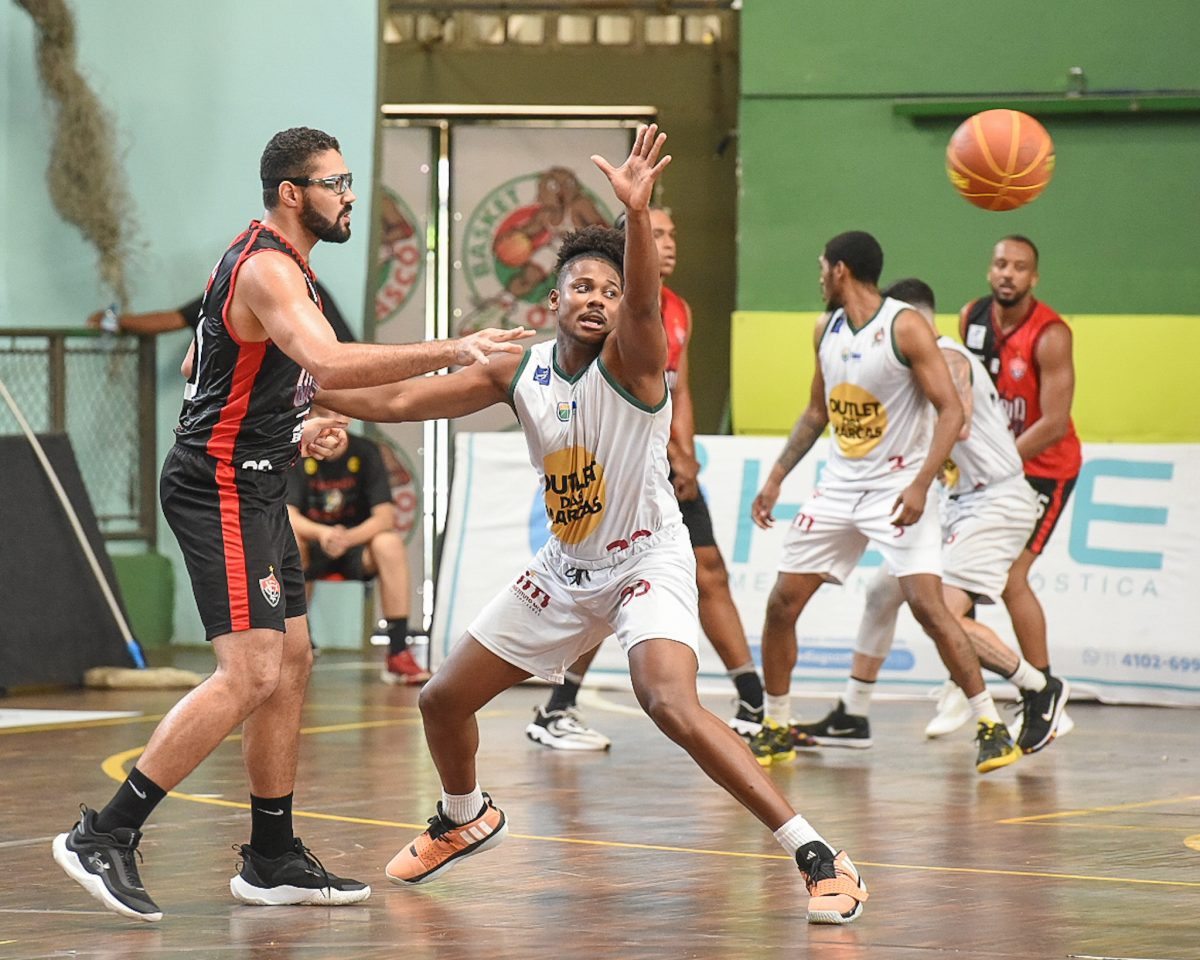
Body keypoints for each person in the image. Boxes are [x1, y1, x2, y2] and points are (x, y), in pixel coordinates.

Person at [318, 125, 868, 925]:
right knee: (441, 701)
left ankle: (817, 854)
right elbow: (400, 400)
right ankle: (464, 815)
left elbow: (644, 300)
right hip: (567, 567)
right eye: (582, 286)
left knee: (667, 701)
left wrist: (636, 214)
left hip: (646, 559)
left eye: (609, 291)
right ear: (554, 300)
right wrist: (301, 388)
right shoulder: (520, 370)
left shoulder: (636, 361)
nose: (598, 299)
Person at [52, 126, 529, 922]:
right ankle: (105, 833)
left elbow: (205, 364)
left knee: (293, 661)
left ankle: (272, 857)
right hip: (221, 488)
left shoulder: (278, 265)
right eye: (335, 183)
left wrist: (287, 415)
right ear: (290, 193)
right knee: (250, 674)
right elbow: (331, 363)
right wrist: (455, 348)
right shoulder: (269, 267)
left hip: (259, 482)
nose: (349, 195)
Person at [747, 232, 1020, 776]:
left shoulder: (904, 326)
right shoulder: (825, 328)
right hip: (839, 488)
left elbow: (950, 411)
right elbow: (817, 412)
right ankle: (775, 724)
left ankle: (990, 724)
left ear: (841, 270)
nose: (819, 276)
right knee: (782, 604)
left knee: (929, 607)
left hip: (897, 489)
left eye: (823, 267)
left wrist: (920, 483)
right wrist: (776, 477)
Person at [791, 279, 1070, 754]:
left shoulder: (949, 358)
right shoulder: (908, 360)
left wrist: (913, 421)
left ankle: (1039, 687)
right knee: (882, 593)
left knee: (939, 612)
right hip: (955, 500)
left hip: (994, 502)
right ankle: (853, 713)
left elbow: (957, 419)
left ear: (913, 320)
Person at [524, 205, 766, 752]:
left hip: (667, 464)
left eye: (672, 233)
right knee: (604, 582)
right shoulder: (618, 318)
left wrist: (688, 453)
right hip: (621, 465)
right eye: (656, 235)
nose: (670, 243)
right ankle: (558, 706)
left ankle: (752, 702)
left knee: (710, 571)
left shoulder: (677, 308)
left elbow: (679, 388)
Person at [926, 236, 1081, 737]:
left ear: (1034, 278)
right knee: (956, 568)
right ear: (989, 270)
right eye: (1000, 264)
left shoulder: (1050, 334)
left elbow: (1054, 423)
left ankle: (1045, 695)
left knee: (1013, 578)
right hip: (987, 468)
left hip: (1042, 466)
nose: (1007, 273)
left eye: (1019, 267)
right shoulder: (971, 317)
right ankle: (963, 684)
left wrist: (996, 464)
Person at [287, 428, 428, 684]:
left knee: (389, 543)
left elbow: (385, 517)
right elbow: (288, 514)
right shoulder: (297, 450)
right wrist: (323, 534)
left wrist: (347, 538)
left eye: (337, 420)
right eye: (322, 417)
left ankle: (398, 653)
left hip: (356, 545)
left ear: (346, 421)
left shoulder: (366, 451)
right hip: (313, 542)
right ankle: (296, 643)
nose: (329, 427)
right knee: (287, 540)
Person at [87, 278, 356, 343]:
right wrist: (114, 322)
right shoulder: (235, 288)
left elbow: (344, 353)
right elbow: (174, 319)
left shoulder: (307, 289)